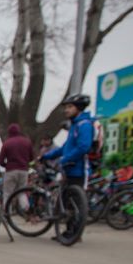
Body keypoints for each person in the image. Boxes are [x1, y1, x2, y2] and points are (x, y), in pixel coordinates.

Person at [41, 94, 94, 241]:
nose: (66, 110)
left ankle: (75, 234)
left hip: (78, 169)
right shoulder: (74, 125)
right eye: (66, 107)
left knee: (76, 203)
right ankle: (69, 231)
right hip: (68, 168)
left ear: (79, 108)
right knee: (67, 201)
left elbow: (83, 147)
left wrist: (65, 158)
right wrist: (47, 156)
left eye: (70, 107)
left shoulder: (84, 125)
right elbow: (64, 148)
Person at [0, 123, 34, 205]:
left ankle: (7, 210)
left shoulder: (7, 143)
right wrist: (25, 163)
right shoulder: (27, 142)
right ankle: (25, 209)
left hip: (10, 171)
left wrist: (6, 165)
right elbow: (31, 158)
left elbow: (1, 161)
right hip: (24, 170)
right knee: (22, 192)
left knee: (8, 193)